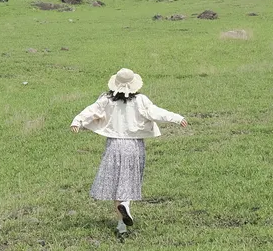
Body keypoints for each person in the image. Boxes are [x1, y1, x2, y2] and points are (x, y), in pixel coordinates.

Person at [70, 68, 188, 237]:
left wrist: (77, 121)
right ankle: (125, 206)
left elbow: (91, 110)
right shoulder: (141, 100)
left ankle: (121, 225)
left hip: (114, 145)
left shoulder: (107, 100)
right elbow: (156, 112)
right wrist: (177, 118)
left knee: (117, 183)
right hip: (133, 146)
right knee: (128, 181)